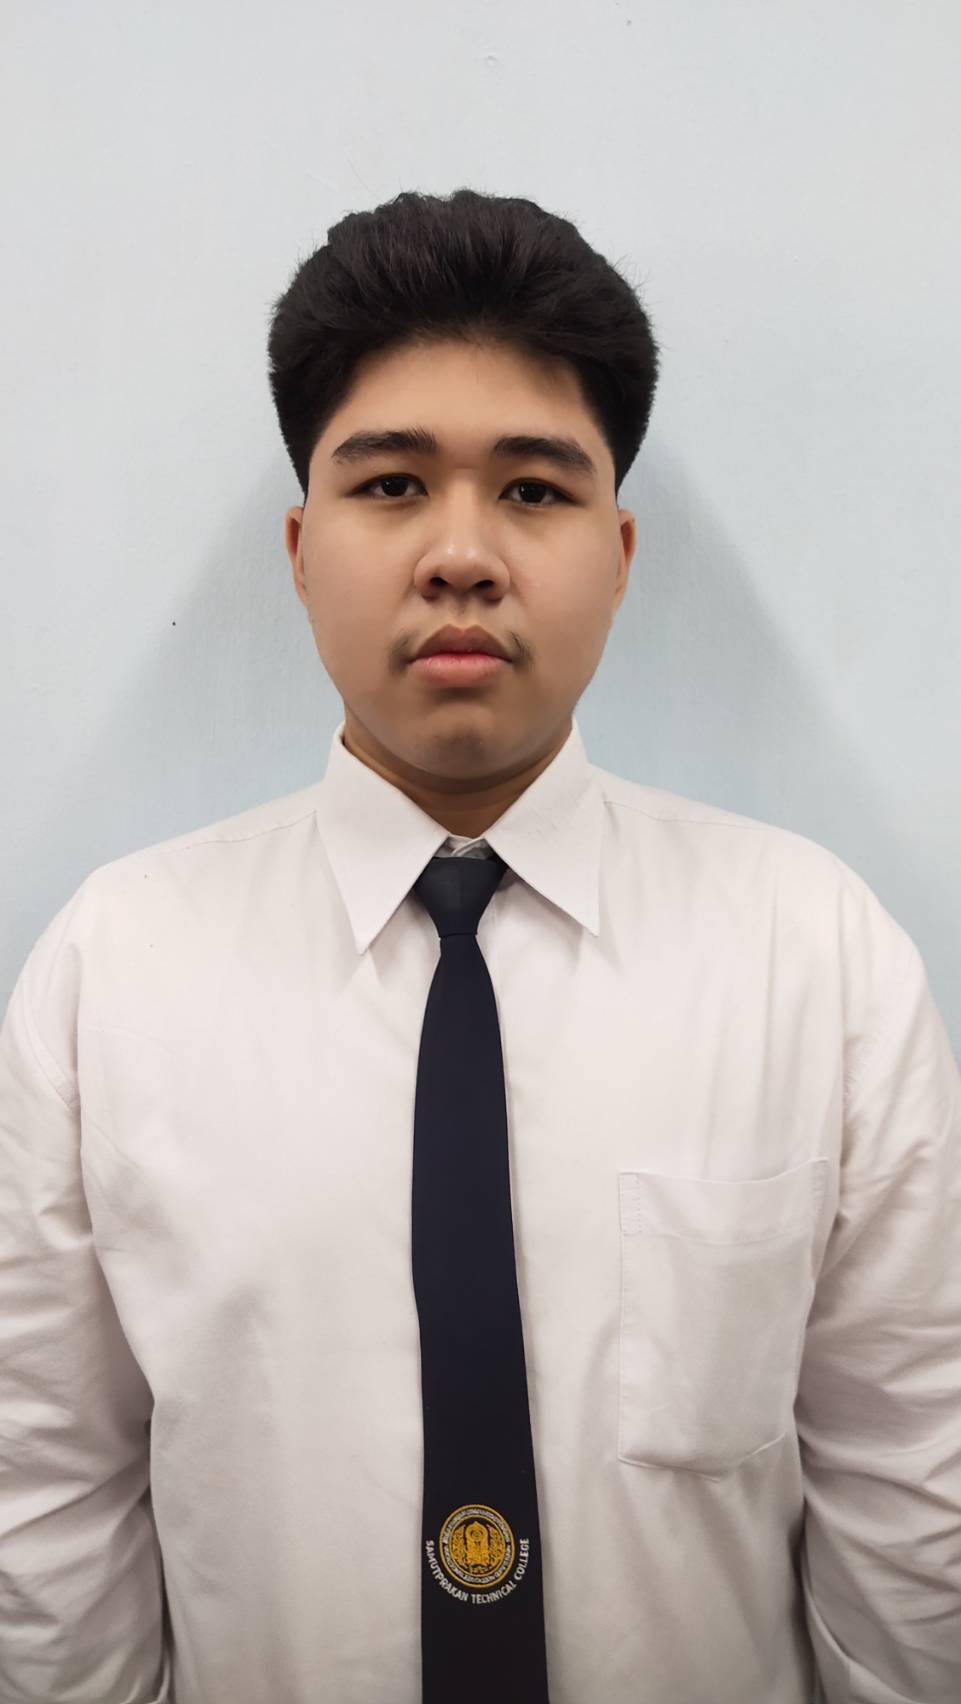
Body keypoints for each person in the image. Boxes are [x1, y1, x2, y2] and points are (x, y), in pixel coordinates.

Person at [0, 187, 959, 1704]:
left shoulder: (815, 955)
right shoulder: (109, 974)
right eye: (391, 485)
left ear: (619, 550)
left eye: (532, 489)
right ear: (301, 548)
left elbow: (911, 1478)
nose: (462, 555)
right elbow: (47, 1495)